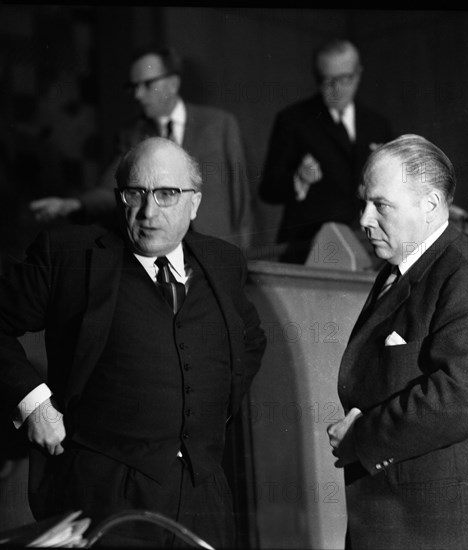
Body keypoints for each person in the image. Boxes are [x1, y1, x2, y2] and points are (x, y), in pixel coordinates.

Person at [0, 137, 266, 548]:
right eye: (135, 193)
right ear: (118, 197)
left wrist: (210, 412)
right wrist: (33, 403)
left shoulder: (223, 262)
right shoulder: (69, 255)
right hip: (103, 497)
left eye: (166, 194)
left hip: (203, 496)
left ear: (194, 203)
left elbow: (251, 339)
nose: (148, 211)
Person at [327, 134, 468, 550]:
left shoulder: (467, 275)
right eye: (364, 202)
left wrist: (363, 436)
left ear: (431, 205)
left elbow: (464, 396)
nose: (364, 219)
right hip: (394, 519)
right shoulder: (401, 266)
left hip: (432, 529)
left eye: (381, 205)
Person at [29, 45, 253, 249]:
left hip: (217, 247)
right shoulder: (131, 135)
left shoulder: (220, 124)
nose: (137, 95)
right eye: (133, 87)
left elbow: (240, 196)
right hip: (162, 251)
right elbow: (110, 190)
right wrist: (75, 204)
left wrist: (243, 256)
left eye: (147, 85)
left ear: (173, 84)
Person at [259, 38, 394, 263]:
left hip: (366, 244)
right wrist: (299, 179)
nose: (337, 89)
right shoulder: (293, 120)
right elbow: (268, 190)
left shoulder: (377, 124)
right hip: (307, 248)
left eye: (345, 79)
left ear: (358, 74)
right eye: (329, 80)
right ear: (317, 78)